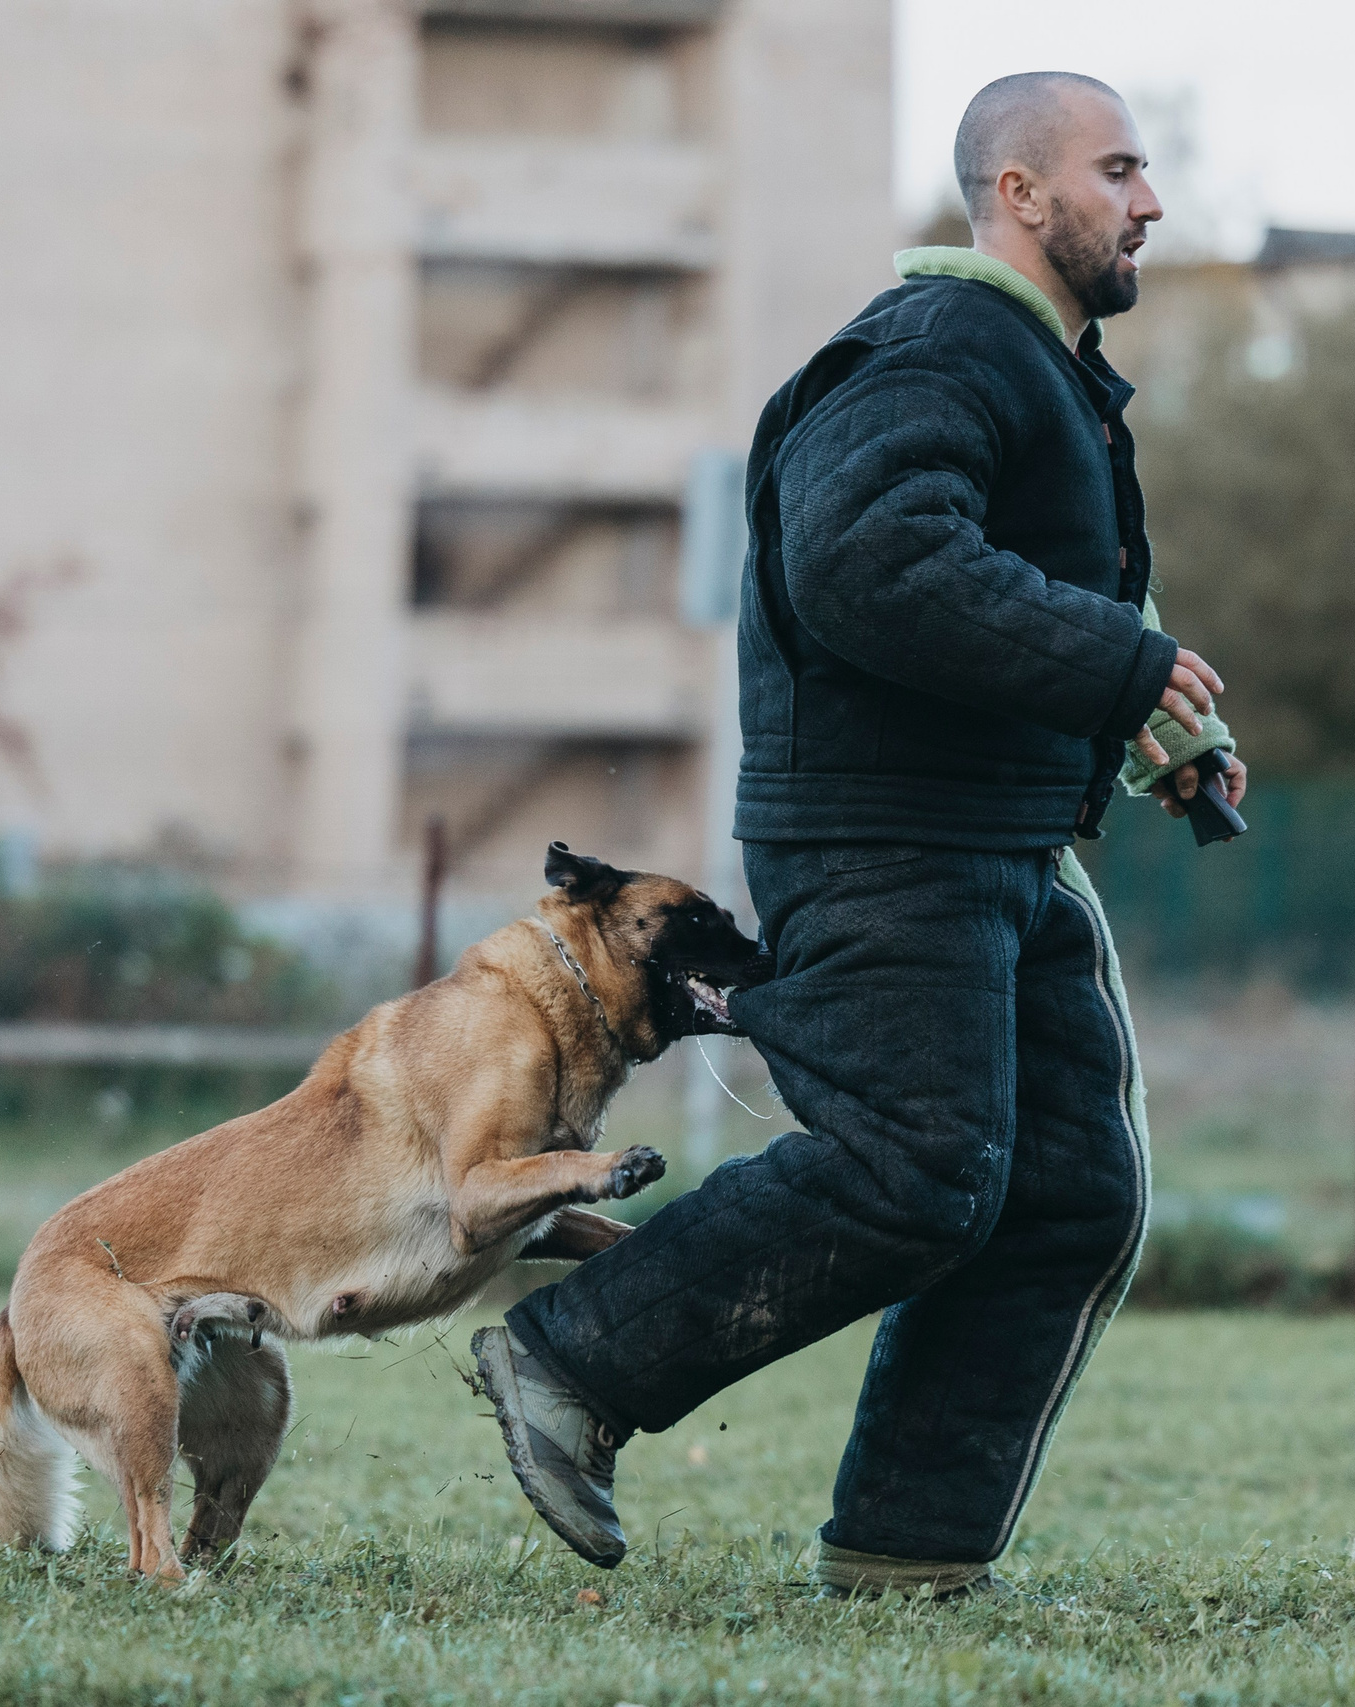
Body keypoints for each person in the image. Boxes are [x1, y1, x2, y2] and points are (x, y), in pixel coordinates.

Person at [472, 71, 1247, 1599]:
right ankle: (571, 1362)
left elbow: (1058, 593)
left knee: (1065, 1195)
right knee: (917, 1170)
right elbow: (867, 559)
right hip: (889, 843)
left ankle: (909, 1549)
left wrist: (1169, 725)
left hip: (1002, 840)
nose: (1149, 200)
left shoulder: (1045, 377)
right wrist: (1114, 666)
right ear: (1020, 195)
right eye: (1119, 168)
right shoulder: (937, 347)